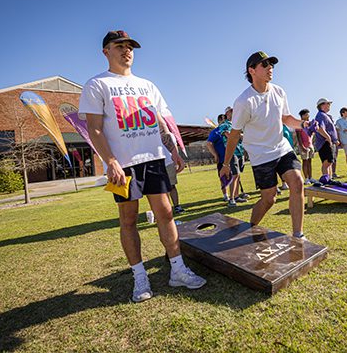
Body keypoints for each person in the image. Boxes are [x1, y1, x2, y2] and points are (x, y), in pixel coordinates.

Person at [79, 30, 205, 303]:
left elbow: (160, 121)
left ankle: (178, 270)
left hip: (154, 158)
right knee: (128, 219)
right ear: (105, 51)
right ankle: (140, 277)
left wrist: (173, 149)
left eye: (130, 47)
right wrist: (110, 161)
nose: (126, 51)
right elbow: (95, 129)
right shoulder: (97, 84)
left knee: (166, 213)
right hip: (123, 167)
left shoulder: (147, 85)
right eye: (119, 46)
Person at [219, 51, 309, 239]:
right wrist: (226, 165)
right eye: (265, 65)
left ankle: (298, 235)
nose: (271, 68)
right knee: (269, 199)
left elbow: (285, 118)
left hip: (282, 148)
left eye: (271, 64)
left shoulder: (279, 91)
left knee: (298, 182)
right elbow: (234, 135)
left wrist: (302, 125)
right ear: (252, 70)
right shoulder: (244, 101)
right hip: (261, 156)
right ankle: (250, 227)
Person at [218, 106, 247, 206]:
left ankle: (236, 196)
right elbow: (230, 136)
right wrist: (241, 136)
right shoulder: (224, 125)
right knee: (234, 175)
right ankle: (231, 199)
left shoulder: (237, 124)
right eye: (231, 112)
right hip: (232, 152)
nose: (234, 113)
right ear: (227, 114)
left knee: (238, 175)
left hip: (239, 151)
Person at [206, 114, 235, 203]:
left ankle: (234, 196)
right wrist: (215, 155)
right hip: (222, 160)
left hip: (232, 158)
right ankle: (226, 195)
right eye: (223, 120)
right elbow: (209, 143)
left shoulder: (230, 130)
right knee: (223, 178)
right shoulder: (216, 131)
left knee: (234, 176)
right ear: (219, 121)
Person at [314, 98, 339, 178]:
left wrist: (334, 140)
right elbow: (319, 128)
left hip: (328, 142)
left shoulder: (324, 115)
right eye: (328, 103)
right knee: (326, 163)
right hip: (324, 143)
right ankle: (326, 180)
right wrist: (328, 138)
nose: (329, 105)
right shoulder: (321, 115)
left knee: (329, 162)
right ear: (322, 105)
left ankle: (329, 180)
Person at [296, 109, 316, 185]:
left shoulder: (309, 124)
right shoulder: (299, 125)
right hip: (303, 146)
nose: (308, 116)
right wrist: (302, 147)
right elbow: (298, 137)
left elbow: (312, 134)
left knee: (310, 161)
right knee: (305, 161)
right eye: (307, 114)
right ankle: (306, 178)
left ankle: (310, 177)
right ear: (303, 116)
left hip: (310, 145)